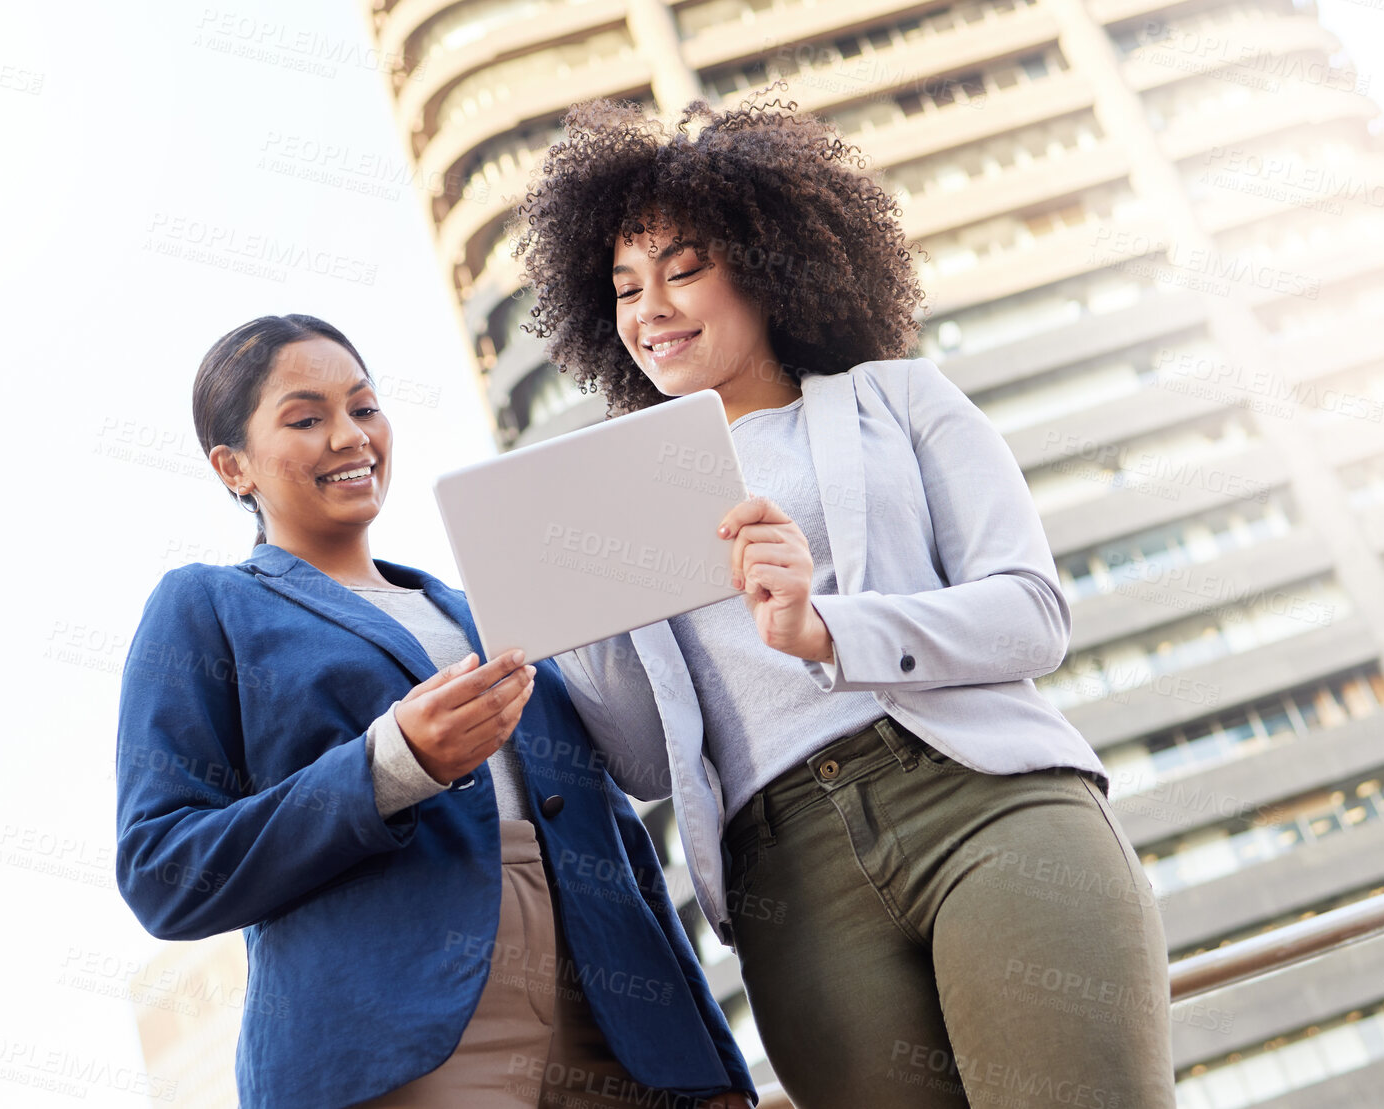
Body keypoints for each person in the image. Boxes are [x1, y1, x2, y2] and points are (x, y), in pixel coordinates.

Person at [513, 92, 1178, 1108]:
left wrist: (827, 627)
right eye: (623, 287)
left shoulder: (898, 400)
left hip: (983, 802)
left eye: (682, 268)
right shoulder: (625, 493)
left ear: (767, 263)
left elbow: (1029, 612)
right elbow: (648, 761)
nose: (649, 309)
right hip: (788, 881)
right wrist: (579, 621)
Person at [113, 314, 755, 1109]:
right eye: (306, 418)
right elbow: (161, 867)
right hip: (398, 1032)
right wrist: (388, 767)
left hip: (619, 1010)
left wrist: (712, 1061)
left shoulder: (492, 600)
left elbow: (618, 825)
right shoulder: (208, 605)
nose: (349, 436)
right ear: (232, 465)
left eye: (365, 407)